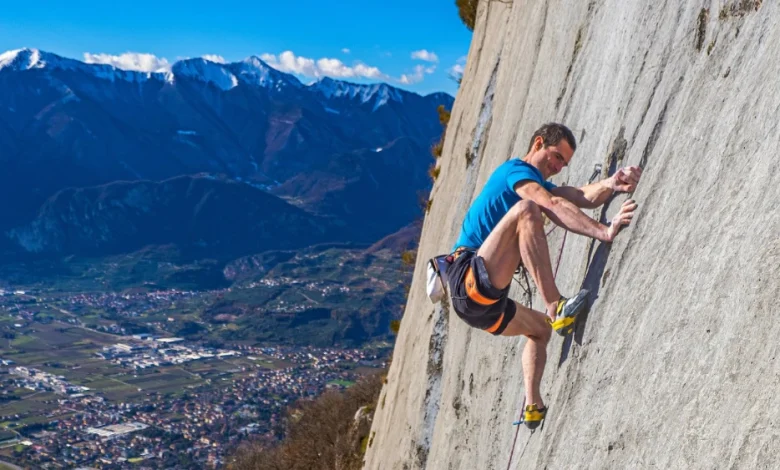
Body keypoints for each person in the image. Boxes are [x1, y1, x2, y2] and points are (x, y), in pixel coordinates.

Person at [447, 122, 641, 429]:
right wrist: (603, 231)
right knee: (528, 209)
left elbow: (578, 195)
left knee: (540, 331)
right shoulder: (515, 172)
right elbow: (548, 203)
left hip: (484, 304)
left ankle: (532, 405)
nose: (558, 166)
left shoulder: (535, 182)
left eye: (564, 162)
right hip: (467, 277)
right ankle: (556, 305)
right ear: (538, 143)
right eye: (555, 155)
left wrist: (613, 182)